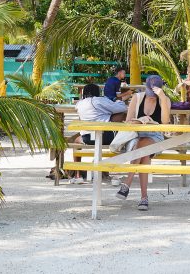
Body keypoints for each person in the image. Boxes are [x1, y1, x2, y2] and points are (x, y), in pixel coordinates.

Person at [116, 75, 172, 211]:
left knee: (143, 145)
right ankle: (143, 198)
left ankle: (127, 183)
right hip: (137, 135)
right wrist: (138, 120)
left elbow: (165, 122)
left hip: (155, 137)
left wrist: (163, 98)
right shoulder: (138, 97)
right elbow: (128, 121)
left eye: (154, 94)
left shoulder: (164, 100)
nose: (151, 96)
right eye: (150, 94)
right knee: (144, 154)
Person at [70, 83, 128, 183]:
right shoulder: (99, 100)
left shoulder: (79, 104)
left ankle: (77, 174)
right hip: (107, 136)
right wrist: (119, 101)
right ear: (97, 92)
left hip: (87, 138)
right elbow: (122, 108)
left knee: (76, 141)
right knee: (120, 114)